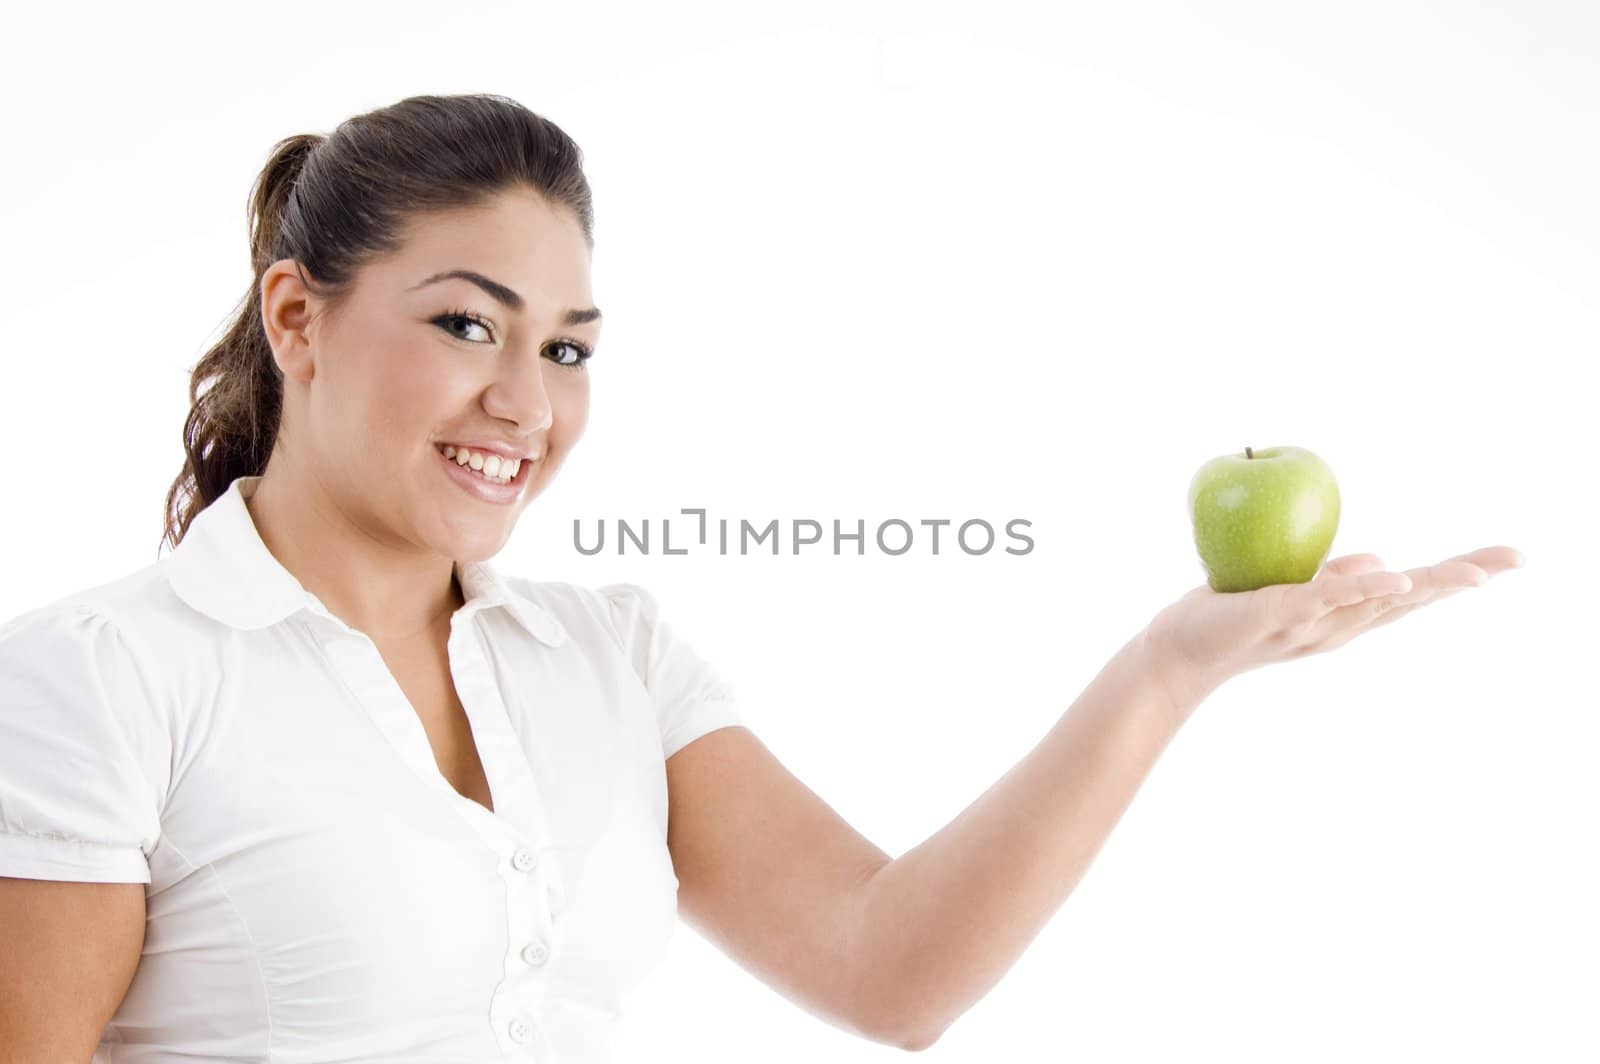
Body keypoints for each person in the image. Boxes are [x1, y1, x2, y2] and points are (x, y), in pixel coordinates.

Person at [0, 92, 1524, 1062]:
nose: (526, 404)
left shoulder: (612, 657)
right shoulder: (103, 676)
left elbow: (891, 971)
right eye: (467, 326)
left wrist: (1170, 668)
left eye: (568, 348)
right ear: (297, 314)